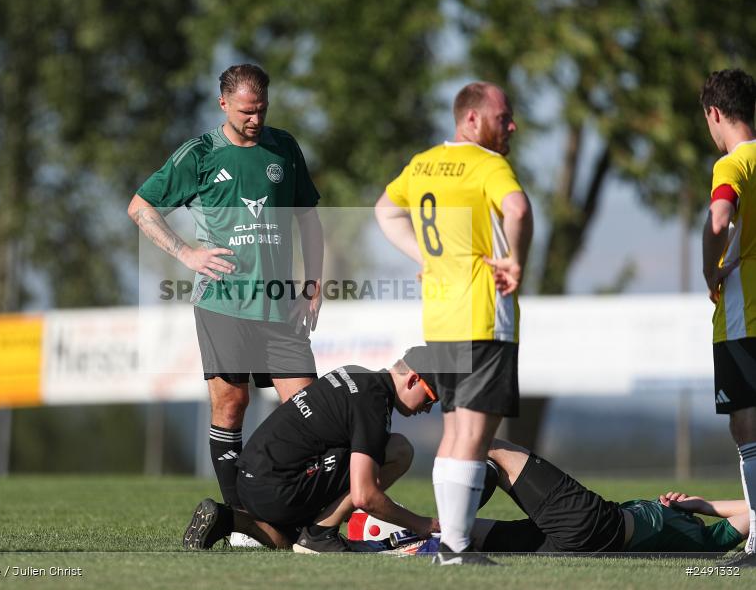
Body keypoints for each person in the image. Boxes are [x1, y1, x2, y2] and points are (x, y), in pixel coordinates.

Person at [127, 64, 323, 512]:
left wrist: (313, 282)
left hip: (280, 305)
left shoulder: (285, 148)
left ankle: (305, 513)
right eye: (246, 112)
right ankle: (241, 519)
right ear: (223, 104)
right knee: (231, 406)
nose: (256, 119)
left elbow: (308, 218)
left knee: (312, 411)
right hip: (222, 304)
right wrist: (186, 253)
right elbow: (140, 207)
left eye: (262, 110)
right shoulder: (199, 154)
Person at [374, 81, 533, 564]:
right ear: (471, 119)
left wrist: (420, 254)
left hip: (440, 318)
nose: (511, 125)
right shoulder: (488, 165)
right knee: (474, 435)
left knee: (455, 431)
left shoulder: (422, 164)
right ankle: (456, 547)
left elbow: (385, 209)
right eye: (502, 117)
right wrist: (516, 260)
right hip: (482, 316)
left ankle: (449, 545)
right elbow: (519, 208)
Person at [181, 346, 442, 553]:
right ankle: (322, 534)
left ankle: (229, 519)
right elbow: (365, 496)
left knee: (290, 540)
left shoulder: (356, 372)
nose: (428, 408)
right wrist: (420, 523)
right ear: (413, 379)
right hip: (279, 489)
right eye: (431, 398)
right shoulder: (373, 405)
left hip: (251, 483)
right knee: (399, 450)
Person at [465, 438, 747, 555]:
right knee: (464, 534)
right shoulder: (688, 530)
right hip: (575, 543)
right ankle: (419, 531)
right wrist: (696, 505)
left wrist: (702, 505)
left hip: (595, 525)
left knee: (490, 446)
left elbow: (752, 512)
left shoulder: (707, 541)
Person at [698, 68, 756, 567]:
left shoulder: (733, 164)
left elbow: (718, 220)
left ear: (715, 113)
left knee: (748, 427)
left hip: (746, 317)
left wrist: (708, 269)